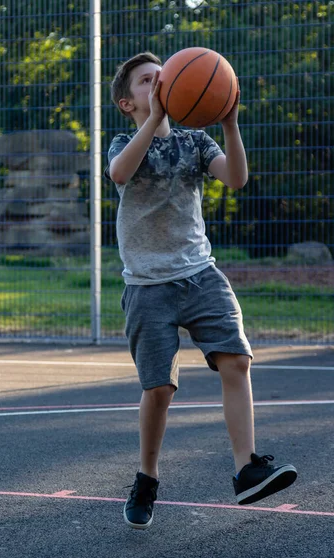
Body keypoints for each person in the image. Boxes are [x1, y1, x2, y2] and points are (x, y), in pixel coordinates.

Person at [104, 51, 297, 530]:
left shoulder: (196, 141)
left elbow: (236, 178)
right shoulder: (123, 141)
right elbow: (120, 175)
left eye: (163, 78)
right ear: (128, 103)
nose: (160, 84)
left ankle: (247, 467)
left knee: (237, 359)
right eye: (148, 82)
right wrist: (157, 119)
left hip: (200, 274)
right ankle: (146, 477)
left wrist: (229, 120)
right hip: (148, 285)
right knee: (160, 388)